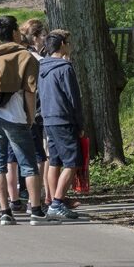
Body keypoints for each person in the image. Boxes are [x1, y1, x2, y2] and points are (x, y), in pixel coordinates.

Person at [0, 15, 53, 225]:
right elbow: (30, 91)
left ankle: (5, 212)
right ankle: (36, 211)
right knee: (29, 164)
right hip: (16, 116)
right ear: (15, 32)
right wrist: (30, 117)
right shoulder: (24, 56)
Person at [38, 30, 83, 221]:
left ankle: (52, 200)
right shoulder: (65, 68)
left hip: (48, 118)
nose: (70, 45)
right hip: (64, 119)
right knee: (72, 162)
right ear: (62, 44)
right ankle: (57, 203)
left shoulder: (42, 66)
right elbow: (74, 98)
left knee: (55, 161)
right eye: (68, 42)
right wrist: (80, 123)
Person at [20, 18, 50, 205]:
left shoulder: (27, 54)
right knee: (39, 156)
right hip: (34, 110)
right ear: (36, 37)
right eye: (44, 35)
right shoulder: (35, 58)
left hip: (29, 109)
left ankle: (36, 194)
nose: (46, 39)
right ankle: (37, 197)